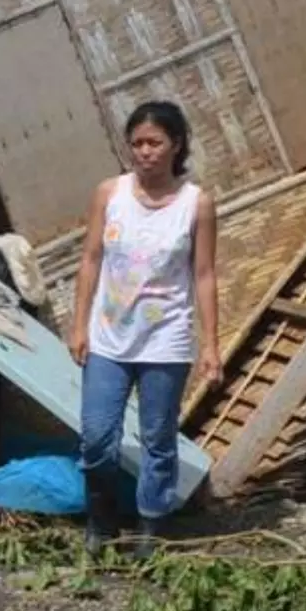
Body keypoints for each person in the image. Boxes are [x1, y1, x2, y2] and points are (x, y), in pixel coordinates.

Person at [65, 101, 220, 562]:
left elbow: (206, 274)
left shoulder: (197, 204)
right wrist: (78, 325)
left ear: (176, 145)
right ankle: (100, 518)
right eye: (136, 143)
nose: (145, 152)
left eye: (154, 143)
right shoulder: (109, 194)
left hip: (166, 340)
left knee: (158, 438)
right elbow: (90, 259)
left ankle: (150, 528)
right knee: (96, 437)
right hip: (109, 336)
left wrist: (211, 344)